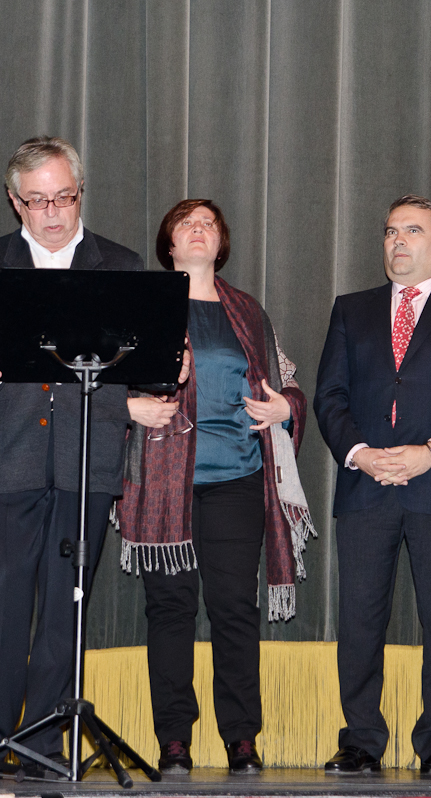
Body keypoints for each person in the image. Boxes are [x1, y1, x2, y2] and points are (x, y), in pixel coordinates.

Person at [0, 136, 180, 770]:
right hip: (9, 455)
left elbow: (148, 362)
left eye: (64, 197)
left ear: (80, 195)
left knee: (66, 601)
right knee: (2, 598)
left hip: (88, 458)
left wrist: (167, 362)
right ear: (16, 202)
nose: (53, 211)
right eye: (39, 199)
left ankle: (46, 743)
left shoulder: (122, 266)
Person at [117, 199, 313, 777]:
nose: (198, 230)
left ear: (220, 242)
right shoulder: (144, 307)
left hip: (236, 480)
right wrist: (132, 405)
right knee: (171, 610)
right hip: (162, 481)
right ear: (169, 244)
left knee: (233, 609)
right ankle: (174, 738)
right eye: (186, 223)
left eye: (208, 223)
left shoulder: (247, 312)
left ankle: (241, 738)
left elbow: (288, 387)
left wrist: (285, 406)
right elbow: (105, 384)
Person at [313, 195, 431, 777]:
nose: (398, 241)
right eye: (391, 231)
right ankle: (360, 740)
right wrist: (360, 453)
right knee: (361, 619)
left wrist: (430, 452)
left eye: (413, 230)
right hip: (366, 485)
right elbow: (329, 397)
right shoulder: (352, 309)